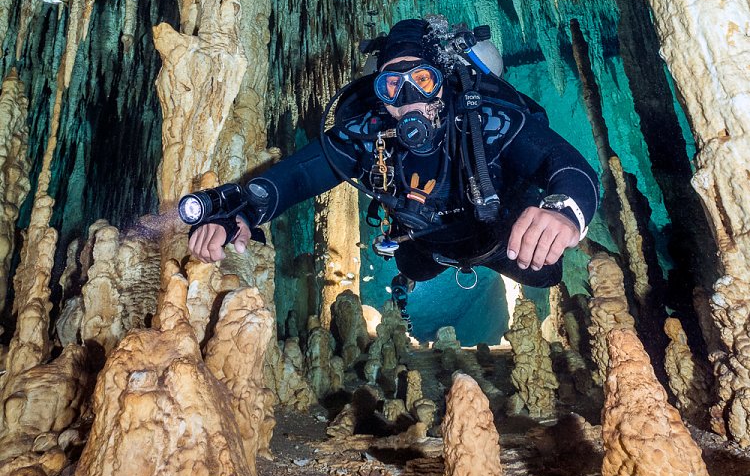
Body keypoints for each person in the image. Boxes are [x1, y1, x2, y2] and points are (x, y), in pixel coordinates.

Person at [187, 18, 599, 328]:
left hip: (499, 237)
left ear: (444, 82)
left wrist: (564, 210)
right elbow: (297, 175)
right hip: (424, 244)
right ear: (378, 94)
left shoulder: (487, 119)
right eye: (391, 87)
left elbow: (563, 163)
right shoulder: (366, 135)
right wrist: (241, 212)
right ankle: (423, 271)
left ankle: (484, 258)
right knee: (414, 267)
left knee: (547, 273)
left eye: (421, 80)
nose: (407, 100)